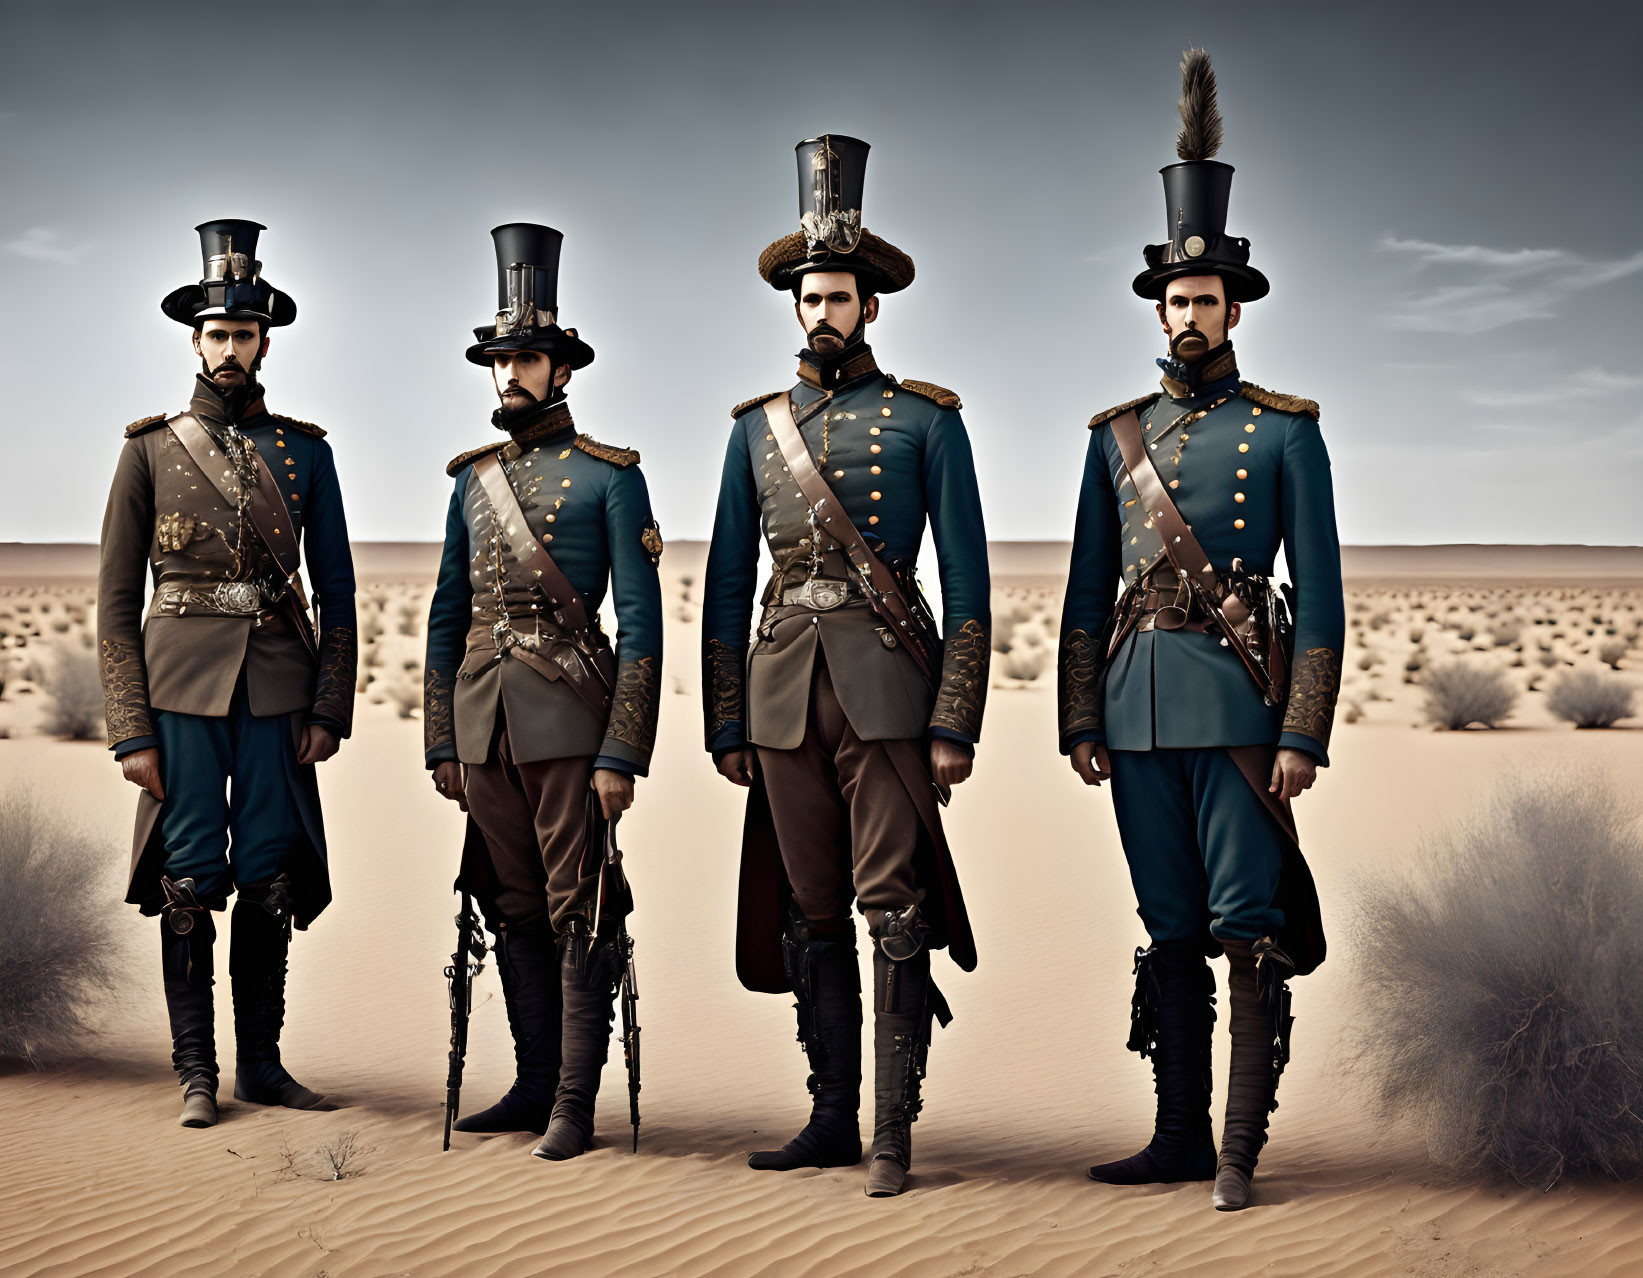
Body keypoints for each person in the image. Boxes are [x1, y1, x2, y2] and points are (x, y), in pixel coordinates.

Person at [1058, 51, 1345, 1211]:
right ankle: (1175, 1135)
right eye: (1173, 302)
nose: (1188, 318)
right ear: (1160, 310)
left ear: (1233, 308)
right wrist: (1079, 714)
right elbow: (1083, 591)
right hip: (1131, 710)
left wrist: (1301, 735)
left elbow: (1318, 598)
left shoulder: (1286, 436)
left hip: (1235, 714)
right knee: (1166, 926)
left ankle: (1236, 1149)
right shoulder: (1112, 435)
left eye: (1205, 302)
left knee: (1244, 927)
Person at [702, 135, 990, 1198]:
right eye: (808, 297)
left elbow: (967, 584)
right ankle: (828, 1115)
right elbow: (727, 581)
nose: (821, 313)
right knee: (809, 909)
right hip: (782, 694)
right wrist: (725, 720)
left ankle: (890, 1131)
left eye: (838, 297)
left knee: (892, 905)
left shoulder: (924, 422)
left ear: (871, 306)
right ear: (792, 307)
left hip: (884, 691)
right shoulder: (753, 432)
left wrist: (953, 720)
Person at [98, 219, 356, 1128]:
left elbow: (340, 592)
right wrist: (130, 731)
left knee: (273, 875)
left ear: (265, 342)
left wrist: (330, 706)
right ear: (195, 341)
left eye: (244, 335)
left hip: (280, 691)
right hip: (178, 696)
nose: (230, 350)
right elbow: (114, 600)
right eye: (217, 334)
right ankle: (196, 1074)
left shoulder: (307, 452)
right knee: (189, 876)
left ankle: (263, 1067)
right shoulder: (148, 450)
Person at [424, 223, 662, 1160]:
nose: (511, 375)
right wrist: (442, 740)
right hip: (484, 726)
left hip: (568, 720)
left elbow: (640, 630)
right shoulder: (471, 483)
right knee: (510, 906)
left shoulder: (611, 479)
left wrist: (621, 751)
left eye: (528, 359)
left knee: (578, 907)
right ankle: (529, 1086)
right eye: (501, 360)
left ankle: (573, 1100)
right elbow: (447, 619)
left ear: (561, 371)